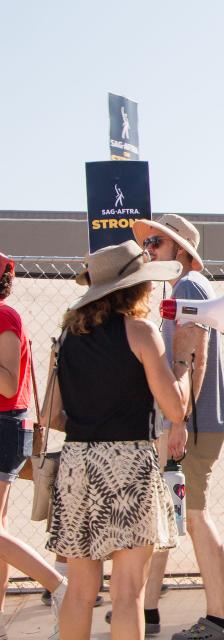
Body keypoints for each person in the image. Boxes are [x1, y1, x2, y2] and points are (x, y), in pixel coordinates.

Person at [45, 241, 190, 640]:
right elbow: (175, 410)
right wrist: (185, 365)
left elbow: (50, 416)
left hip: (76, 464)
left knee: (79, 591)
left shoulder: (67, 337)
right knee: (128, 593)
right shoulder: (141, 332)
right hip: (128, 464)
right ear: (137, 287)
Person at [126, 215, 224, 640]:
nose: (149, 250)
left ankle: (220, 619)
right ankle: (146, 609)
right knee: (167, 514)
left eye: (157, 243)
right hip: (192, 420)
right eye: (149, 243)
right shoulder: (188, 289)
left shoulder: (189, 287)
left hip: (192, 423)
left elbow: (193, 351)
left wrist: (179, 420)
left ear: (181, 250)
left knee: (192, 516)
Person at [0, 252, 67, 638]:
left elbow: (8, 383)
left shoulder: (5, 318)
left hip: (4, 427)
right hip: (5, 426)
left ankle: (59, 587)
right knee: (1, 529)